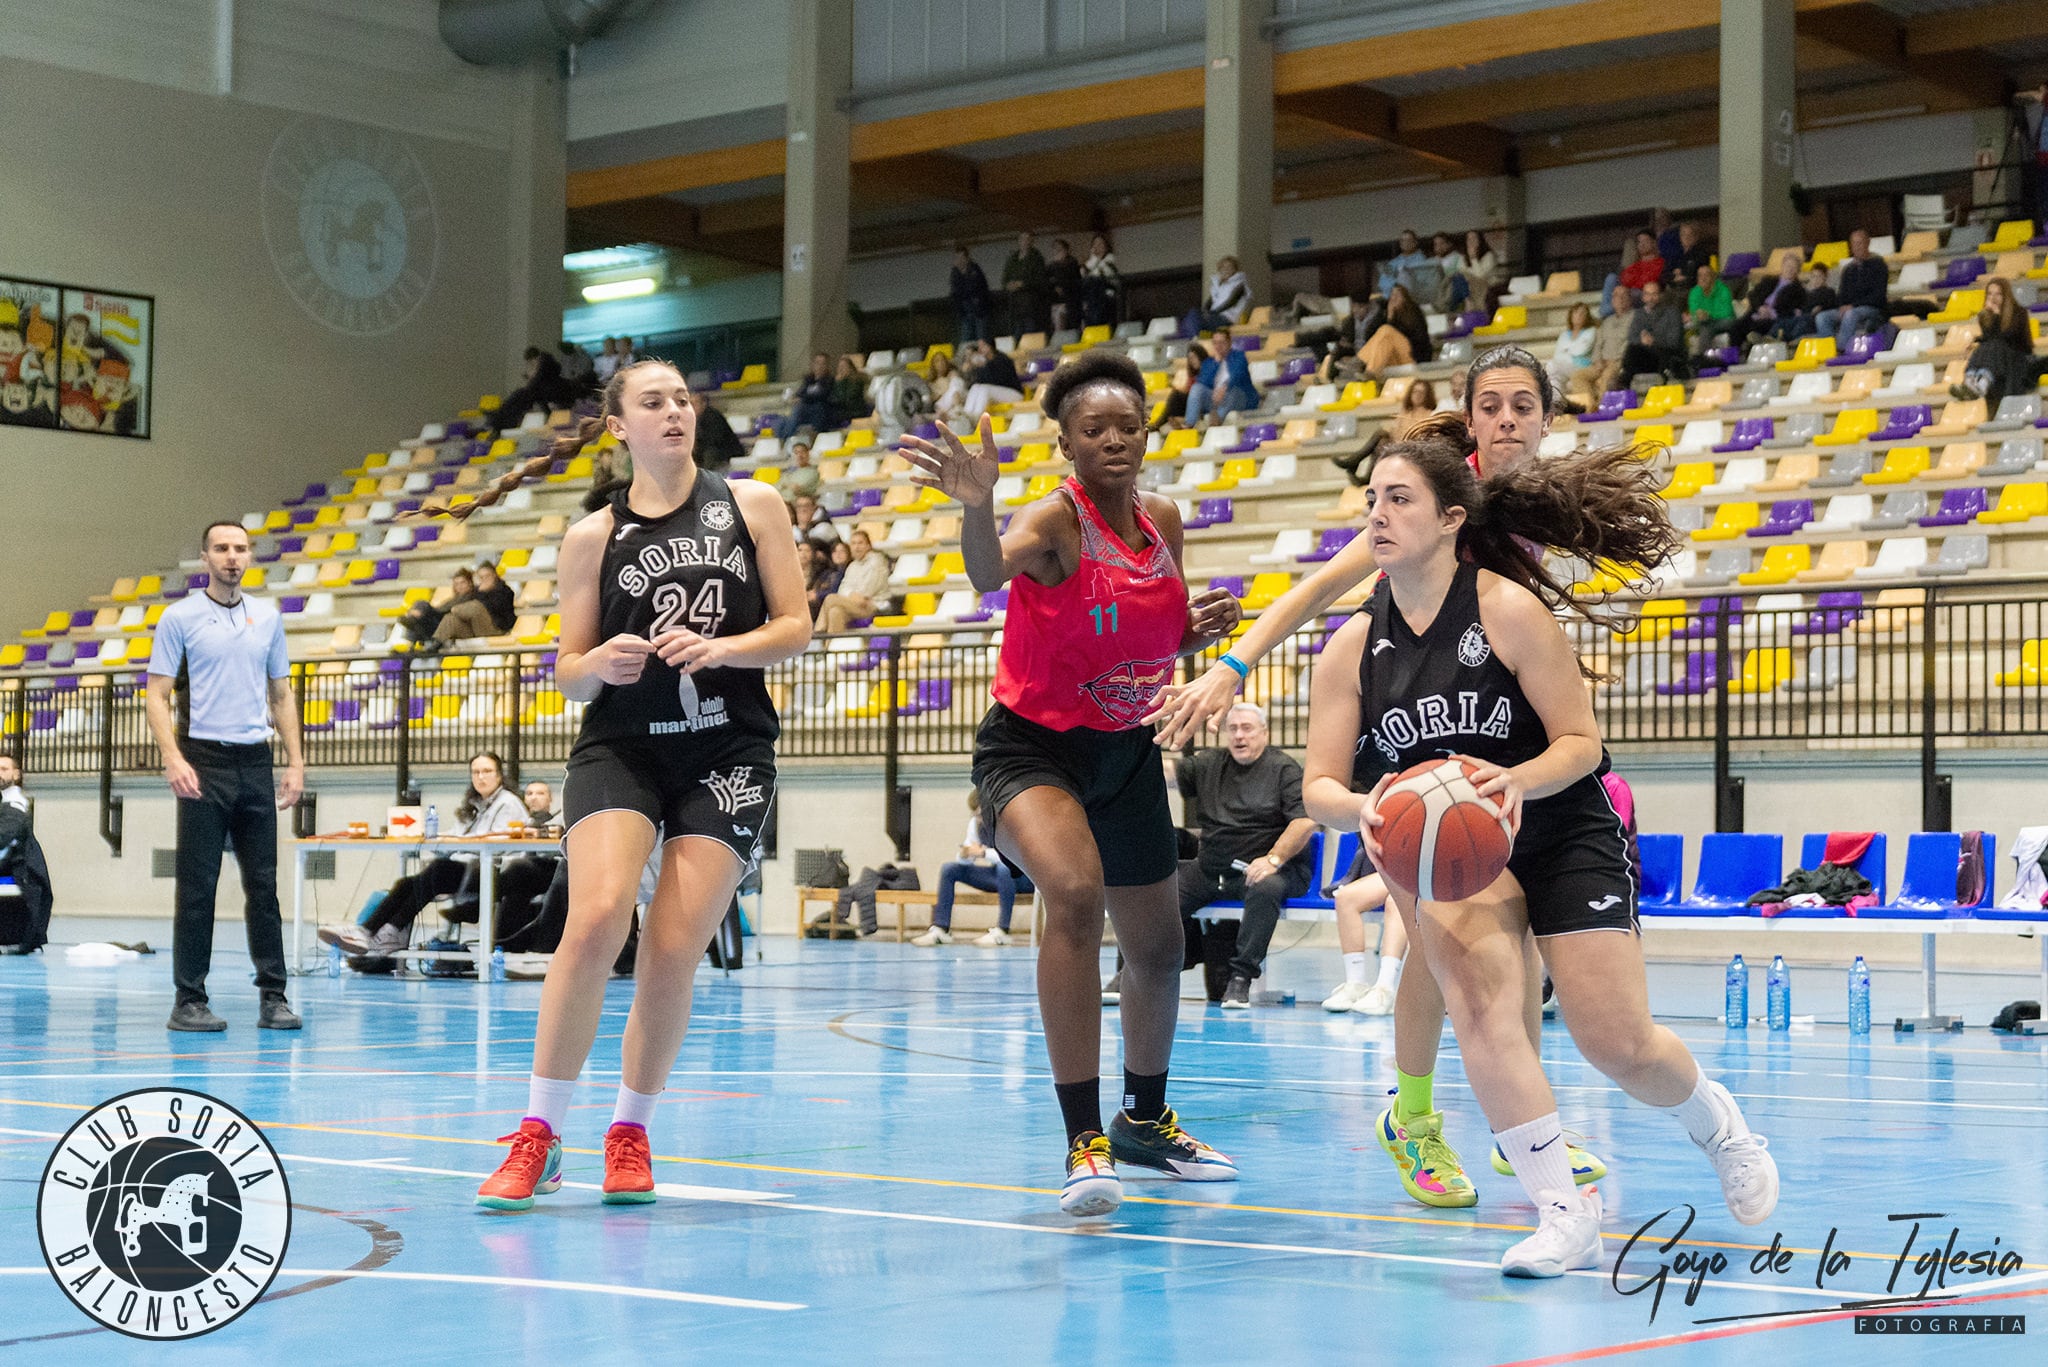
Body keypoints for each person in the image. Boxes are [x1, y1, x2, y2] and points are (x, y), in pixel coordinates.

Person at [1144, 346, 1626, 1207]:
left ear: (1549, 419)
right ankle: (1415, 1118)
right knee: (1446, 950)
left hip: (1487, 739)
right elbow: (1318, 589)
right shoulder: (1428, 500)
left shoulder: (1533, 507)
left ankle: (1524, 1130)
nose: (1507, 420)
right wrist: (1233, 666)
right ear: (1468, 418)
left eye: (1523, 406)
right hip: (1399, 732)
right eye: (1491, 406)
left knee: (1500, 950)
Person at [1302, 436, 1777, 1276]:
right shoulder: (1349, 649)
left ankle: (1719, 1122)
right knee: (1483, 1004)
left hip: (1558, 824)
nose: (1378, 513)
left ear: (1452, 519)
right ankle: (1566, 1212)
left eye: (1400, 498)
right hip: (1455, 853)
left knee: (1618, 1041)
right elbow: (1319, 788)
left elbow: (1583, 744)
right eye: (1373, 497)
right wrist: (1363, 804)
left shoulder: (1508, 609)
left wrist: (1513, 779)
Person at [458, 356, 809, 1210]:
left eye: (684, 397)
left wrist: (725, 648)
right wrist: (600, 664)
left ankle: (629, 1131)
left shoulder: (750, 505)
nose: (675, 411)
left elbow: (797, 625)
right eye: (653, 401)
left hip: (728, 751)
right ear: (618, 427)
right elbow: (568, 673)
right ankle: (538, 1134)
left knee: (672, 946)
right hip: (621, 747)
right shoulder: (591, 537)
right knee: (597, 916)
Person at [899, 352, 1242, 1218]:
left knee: (1161, 949)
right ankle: (1083, 1140)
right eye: (1096, 428)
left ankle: (1145, 1118)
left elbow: (1135, 632)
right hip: (1031, 753)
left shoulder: (1162, 519)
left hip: (1124, 750)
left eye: (1128, 424)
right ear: (1067, 443)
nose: (1115, 438)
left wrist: (1189, 634)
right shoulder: (1053, 521)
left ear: (1146, 432)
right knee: (1076, 894)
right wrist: (977, 504)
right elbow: (985, 573)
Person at [144, 521, 303, 1032]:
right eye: (221, 549)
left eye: (239, 548)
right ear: (205, 557)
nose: (231, 557)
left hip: (254, 761)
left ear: (250, 556)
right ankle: (188, 1000)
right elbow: (157, 694)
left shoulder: (268, 617)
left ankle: (273, 997)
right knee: (198, 887)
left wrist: (295, 762)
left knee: (264, 885)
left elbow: (281, 695)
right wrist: (173, 757)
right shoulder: (180, 617)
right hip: (202, 762)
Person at [320, 751, 526, 967]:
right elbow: (458, 835)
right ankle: (367, 930)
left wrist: (453, 842)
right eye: (475, 772)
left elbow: (496, 841)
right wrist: (433, 839)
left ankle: (388, 930)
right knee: (407, 882)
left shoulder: (508, 803)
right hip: (465, 866)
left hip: (492, 871)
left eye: (487, 771)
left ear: (499, 775)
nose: (481, 777)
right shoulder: (475, 806)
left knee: (438, 870)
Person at [1173, 703, 1317, 1008]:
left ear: (1263, 733)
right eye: (1233, 729)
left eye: (1247, 728)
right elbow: (1168, 773)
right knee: (1162, 891)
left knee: (1265, 888)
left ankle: (1239, 979)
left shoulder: (1284, 769)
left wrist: (1273, 859)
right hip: (1213, 869)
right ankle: (1137, 968)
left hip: (1273, 869)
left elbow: (1305, 821)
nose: (1240, 736)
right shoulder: (1210, 764)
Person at [911, 791, 1034, 947]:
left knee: (1004, 868)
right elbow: (967, 858)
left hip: (1022, 878)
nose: (979, 819)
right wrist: (965, 855)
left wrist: (983, 853)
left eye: (981, 814)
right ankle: (941, 929)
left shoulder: (1009, 822)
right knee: (949, 869)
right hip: (999, 878)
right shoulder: (975, 824)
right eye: (976, 815)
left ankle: (1003, 931)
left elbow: (1014, 856)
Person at [1320, 850, 1400, 1014]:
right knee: (1345, 898)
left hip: (1427, 869)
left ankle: (1385, 987)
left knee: (1397, 901)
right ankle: (1355, 983)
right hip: (1392, 867)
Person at [0, 752, 53, 955]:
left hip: (20, 876)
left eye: (4, 769)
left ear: (16, 774)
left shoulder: (16, 804)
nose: (0, 773)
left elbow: (3, 837)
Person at [1957, 276, 2039, 406]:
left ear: (2006, 295)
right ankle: (1971, 379)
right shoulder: (1986, 316)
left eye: (1998, 294)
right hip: (1999, 360)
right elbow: (1989, 339)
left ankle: (1982, 382)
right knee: (1983, 347)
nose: (1993, 298)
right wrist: (1976, 340)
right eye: (1989, 294)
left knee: (1994, 344)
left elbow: (2008, 338)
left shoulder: (2019, 313)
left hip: (2019, 359)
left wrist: (1996, 316)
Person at [1812, 229, 1889, 350]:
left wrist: (1852, 306)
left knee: (1850, 314)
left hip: (1871, 308)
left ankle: (1842, 350)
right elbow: (1842, 294)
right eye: (1854, 244)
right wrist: (1842, 305)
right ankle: (1828, 350)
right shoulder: (1849, 269)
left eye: (1860, 243)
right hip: (1850, 308)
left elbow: (1878, 296)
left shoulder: (1878, 265)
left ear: (1867, 243)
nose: (1857, 247)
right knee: (1822, 317)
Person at [815, 528, 892, 633]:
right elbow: (843, 588)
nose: (857, 547)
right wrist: (852, 594)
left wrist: (853, 595)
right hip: (855, 603)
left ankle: (818, 632)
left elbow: (868, 591)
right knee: (835, 612)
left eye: (860, 543)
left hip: (873, 606)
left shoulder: (877, 562)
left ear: (868, 546)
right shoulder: (853, 565)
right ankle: (832, 647)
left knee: (830, 598)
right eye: (853, 543)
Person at [1731, 250, 1808, 349]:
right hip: (1757, 312)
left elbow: (1793, 310)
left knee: (1756, 328)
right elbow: (1752, 295)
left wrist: (1771, 313)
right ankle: (1733, 357)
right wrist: (1760, 308)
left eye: (1794, 267)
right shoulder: (1769, 280)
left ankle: (1753, 355)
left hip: (1774, 318)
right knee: (1736, 326)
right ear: (1782, 266)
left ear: (1798, 270)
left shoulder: (1799, 290)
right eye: (1788, 266)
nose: (1790, 269)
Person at [1618, 278, 1686, 388]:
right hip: (1647, 356)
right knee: (1632, 349)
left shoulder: (1672, 313)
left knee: (1635, 352)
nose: (1651, 298)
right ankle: (1624, 382)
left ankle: (1625, 382)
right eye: (1647, 294)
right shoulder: (1639, 314)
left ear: (1660, 295)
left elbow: (1674, 341)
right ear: (1643, 297)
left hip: (1667, 355)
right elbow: (1631, 336)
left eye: (1654, 294)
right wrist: (1642, 340)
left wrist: (1653, 341)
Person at [492, 347, 577, 434]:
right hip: (551, 400)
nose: (530, 369)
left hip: (553, 400)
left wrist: (531, 380)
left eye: (532, 365)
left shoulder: (542, 385)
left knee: (518, 398)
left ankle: (497, 425)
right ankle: (498, 424)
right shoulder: (549, 379)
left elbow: (535, 385)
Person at [432, 561, 516, 645]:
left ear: (495, 575)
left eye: (487, 576)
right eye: (481, 577)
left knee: (475, 606)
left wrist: (483, 593)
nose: (484, 579)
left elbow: (495, 608)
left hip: (497, 630)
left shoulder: (505, 591)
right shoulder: (477, 591)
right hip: (476, 629)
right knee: (450, 618)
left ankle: (454, 610)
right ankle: (435, 643)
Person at [1184, 329, 1257, 425]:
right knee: (1196, 388)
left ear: (1229, 343)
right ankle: (1189, 423)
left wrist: (1225, 388)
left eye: (1221, 343)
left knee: (1234, 391)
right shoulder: (1209, 362)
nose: (1218, 346)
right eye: (1215, 343)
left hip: (1239, 398)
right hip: (1216, 399)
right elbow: (1203, 381)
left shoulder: (1239, 357)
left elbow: (1237, 375)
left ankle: (1218, 419)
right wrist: (1216, 363)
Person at [1358, 285, 1432, 376]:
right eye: (1392, 295)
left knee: (1387, 330)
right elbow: (1370, 337)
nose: (1393, 298)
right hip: (1391, 359)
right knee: (1384, 333)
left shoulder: (1415, 314)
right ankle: (1365, 367)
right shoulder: (1383, 315)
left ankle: (1363, 365)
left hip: (1411, 357)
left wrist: (1391, 324)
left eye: (1397, 295)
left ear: (1405, 298)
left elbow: (1419, 342)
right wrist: (1389, 317)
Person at [398, 567, 472, 645]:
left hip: (445, 624)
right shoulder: (454, 598)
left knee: (422, 604)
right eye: (456, 584)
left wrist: (430, 610)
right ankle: (415, 620)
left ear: (470, 583)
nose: (459, 586)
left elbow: (444, 612)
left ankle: (416, 617)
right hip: (438, 620)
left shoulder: (470, 598)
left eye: (462, 583)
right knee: (417, 616)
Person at [1547, 302, 1598, 402]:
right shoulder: (1564, 334)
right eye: (1576, 313)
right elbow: (1557, 354)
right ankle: (1557, 401)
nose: (1578, 316)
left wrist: (1567, 349)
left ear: (1587, 316)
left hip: (1582, 365)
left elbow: (1581, 351)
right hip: (1564, 365)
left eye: (1582, 313)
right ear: (1571, 315)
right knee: (1552, 373)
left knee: (1552, 366)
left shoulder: (1591, 331)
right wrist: (1572, 349)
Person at [962, 339, 1024, 422]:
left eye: (982, 346)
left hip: (1014, 393)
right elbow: (978, 382)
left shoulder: (1001, 359)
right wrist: (975, 368)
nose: (980, 349)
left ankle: (977, 418)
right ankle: (966, 415)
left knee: (985, 389)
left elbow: (999, 381)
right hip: (999, 392)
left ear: (990, 347)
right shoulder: (985, 362)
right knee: (975, 387)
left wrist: (983, 367)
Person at [1003, 230, 1051, 335]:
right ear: (1018, 241)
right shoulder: (1012, 259)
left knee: (1030, 333)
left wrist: (1023, 284)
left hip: (1031, 303)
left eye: (1027, 239)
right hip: (1015, 304)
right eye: (1022, 239)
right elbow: (1005, 278)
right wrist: (1008, 285)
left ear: (1032, 241)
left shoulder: (1037, 258)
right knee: (1016, 333)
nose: (1024, 242)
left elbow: (1040, 279)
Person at [1685, 264, 1737, 356]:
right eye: (1700, 275)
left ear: (1713, 277)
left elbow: (1726, 312)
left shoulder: (1724, 290)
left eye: (1706, 275)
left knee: (1707, 325)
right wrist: (1698, 316)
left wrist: (1708, 315)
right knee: (1705, 325)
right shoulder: (1694, 292)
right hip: (1704, 322)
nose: (1703, 278)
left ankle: (1703, 359)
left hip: (1723, 322)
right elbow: (1694, 312)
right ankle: (1705, 359)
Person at [1189, 256, 1252, 332]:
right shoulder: (1219, 285)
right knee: (1193, 313)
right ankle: (1195, 337)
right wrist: (1205, 311)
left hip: (1227, 319)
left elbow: (1230, 302)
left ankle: (1196, 337)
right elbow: (1209, 302)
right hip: (1215, 316)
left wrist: (1212, 313)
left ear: (1235, 269)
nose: (1226, 269)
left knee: (1197, 321)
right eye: (1223, 267)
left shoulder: (1240, 284)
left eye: (1229, 267)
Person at [688, 391, 744, 472]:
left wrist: (703, 472)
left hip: (724, 459)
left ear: (703, 404)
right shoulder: (693, 419)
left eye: (693, 404)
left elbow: (712, 447)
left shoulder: (713, 418)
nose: (691, 408)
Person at [950, 246, 994, 346]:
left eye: (961, 258)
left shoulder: (975, 271)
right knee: (966, 342)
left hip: (979, 311)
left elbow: (978, 290)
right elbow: (955, 295)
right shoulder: (955, 274)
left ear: (967, 258)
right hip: (965, 312)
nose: (959, 261)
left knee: (982, 340)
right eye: (957, 258)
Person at [789, 353, 837, 433]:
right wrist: (797, 397)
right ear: (813, 365)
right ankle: (789, 435)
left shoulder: (829, 380)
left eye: (823, 363)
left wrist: (803, 398)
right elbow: (800, 393)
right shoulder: (808, 379)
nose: (820, 366)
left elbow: (822, 395)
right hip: (806, 409)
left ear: (827, 366)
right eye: (817, 363)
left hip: (822, 409)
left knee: (814, 408)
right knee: (796, 410)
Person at [1080, 233, 1120, 328]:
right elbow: (1082, 273)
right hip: (1092, 295)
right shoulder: (1091, 261)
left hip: (1108, 291)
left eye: (1100, 244)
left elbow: (1106, 274)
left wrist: (1096, 261)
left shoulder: (1110, 259)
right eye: (1095, 244)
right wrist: (1094, 258)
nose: (1098, 247)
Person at [1047, 239, 1084, 333]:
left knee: (1061, 313)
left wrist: (1058, 266)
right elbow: (1047, 281)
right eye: (1055, 249)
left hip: (1072, 299)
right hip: (1056, 300)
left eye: (1059, 249)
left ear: (1066, 250)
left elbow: (1071, 280)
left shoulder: (1072, 263)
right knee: (1054, 312)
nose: (1057, 252)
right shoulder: (1050, 266)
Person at [1376, 230, 1428, 296]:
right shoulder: (1393, 263)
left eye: (1408, 240)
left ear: (1415, 242)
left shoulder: (1422, 260)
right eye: (1403, 240)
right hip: (1396, 299)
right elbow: (1383, 282)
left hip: (1417, 299)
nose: (1405, 243)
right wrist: (1395, 287)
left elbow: (1424, 281)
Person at [810, 539, 850, 619]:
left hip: (834, 603)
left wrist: (817, 595)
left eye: (842, 551)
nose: (838, 554)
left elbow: (836, 591)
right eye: (835, 551)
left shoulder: (848, 572)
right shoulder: (827, 573)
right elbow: (816, 586)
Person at [779, 436, 822, 502]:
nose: (799, 456)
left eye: (802, 452)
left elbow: (797, 488)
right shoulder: (789, 473)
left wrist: (785, 484)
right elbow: (777, 487)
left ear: (808, 454)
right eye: (796, 453)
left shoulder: (813, 472)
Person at [831, 354, 870, 424]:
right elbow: (833, 397)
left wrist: (840, 383)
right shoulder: (836, 381)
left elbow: (847, 397)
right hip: (841, 411)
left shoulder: (856, 381)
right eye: (840, 367)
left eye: (844, 366)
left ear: (850, 368)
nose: (841, 369)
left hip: (854, 410)